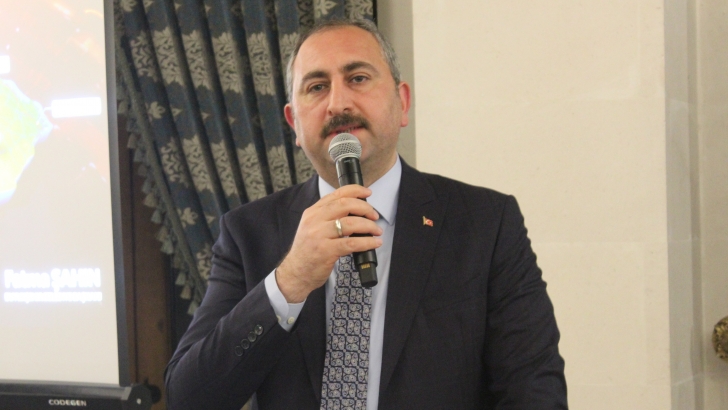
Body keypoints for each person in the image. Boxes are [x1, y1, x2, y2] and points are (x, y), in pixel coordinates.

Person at [165, 18, 567, 410]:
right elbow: (189, 398)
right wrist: (289, 281)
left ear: (402, 102)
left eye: (357, 78)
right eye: (317, 87)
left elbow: (534, 389)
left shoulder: (485, 224)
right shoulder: (248, 233)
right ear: (293, 123)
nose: (338, 103)